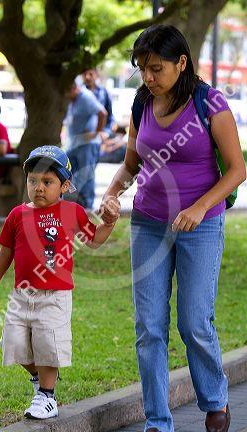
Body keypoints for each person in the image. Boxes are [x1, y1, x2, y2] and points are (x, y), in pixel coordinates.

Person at [100, 25, 246, 432]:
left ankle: (215, 401)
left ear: (182, 63)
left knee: (194, 321)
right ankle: (157, 421)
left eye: (156, 68)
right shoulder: (141, 102)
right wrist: (112, 194)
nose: (148, 77)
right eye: (142, 68)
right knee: (149, 326)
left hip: (200, 225)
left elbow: (237, 170)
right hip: (148, 222)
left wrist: (200, 208)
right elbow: (131, 163)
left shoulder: (210, 102)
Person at [0, 145, 120, 420]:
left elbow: (93, 239)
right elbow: (5, 251)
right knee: (14, 343)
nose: (39, 188)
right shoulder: (17, 215)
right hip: (22, 295)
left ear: (65, 185)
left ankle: (47, 396)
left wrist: (109, 223)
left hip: (54, 296)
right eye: (33, 180)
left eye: (47, 182)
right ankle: (39, 381)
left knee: (48, 344)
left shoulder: (72, 212)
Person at [65, 81, 107, 209]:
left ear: (73, 88)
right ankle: (73, 204)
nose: (66, 96)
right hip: (74, 143)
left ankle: (87, 208)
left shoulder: (85, 97)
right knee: (69, 173)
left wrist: (97, 132)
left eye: (67, 92)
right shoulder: (74, 100)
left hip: (87, 144)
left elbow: (102, 113)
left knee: (87, 175)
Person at [82, 68, 114, 141]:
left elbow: (110, 115)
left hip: (99, 138)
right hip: (82, 137)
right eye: (85, 74)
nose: (87, 77)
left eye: (90, 74)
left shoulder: (103, 92)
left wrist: (106, 132)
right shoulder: (79, 93)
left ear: (96, 76)